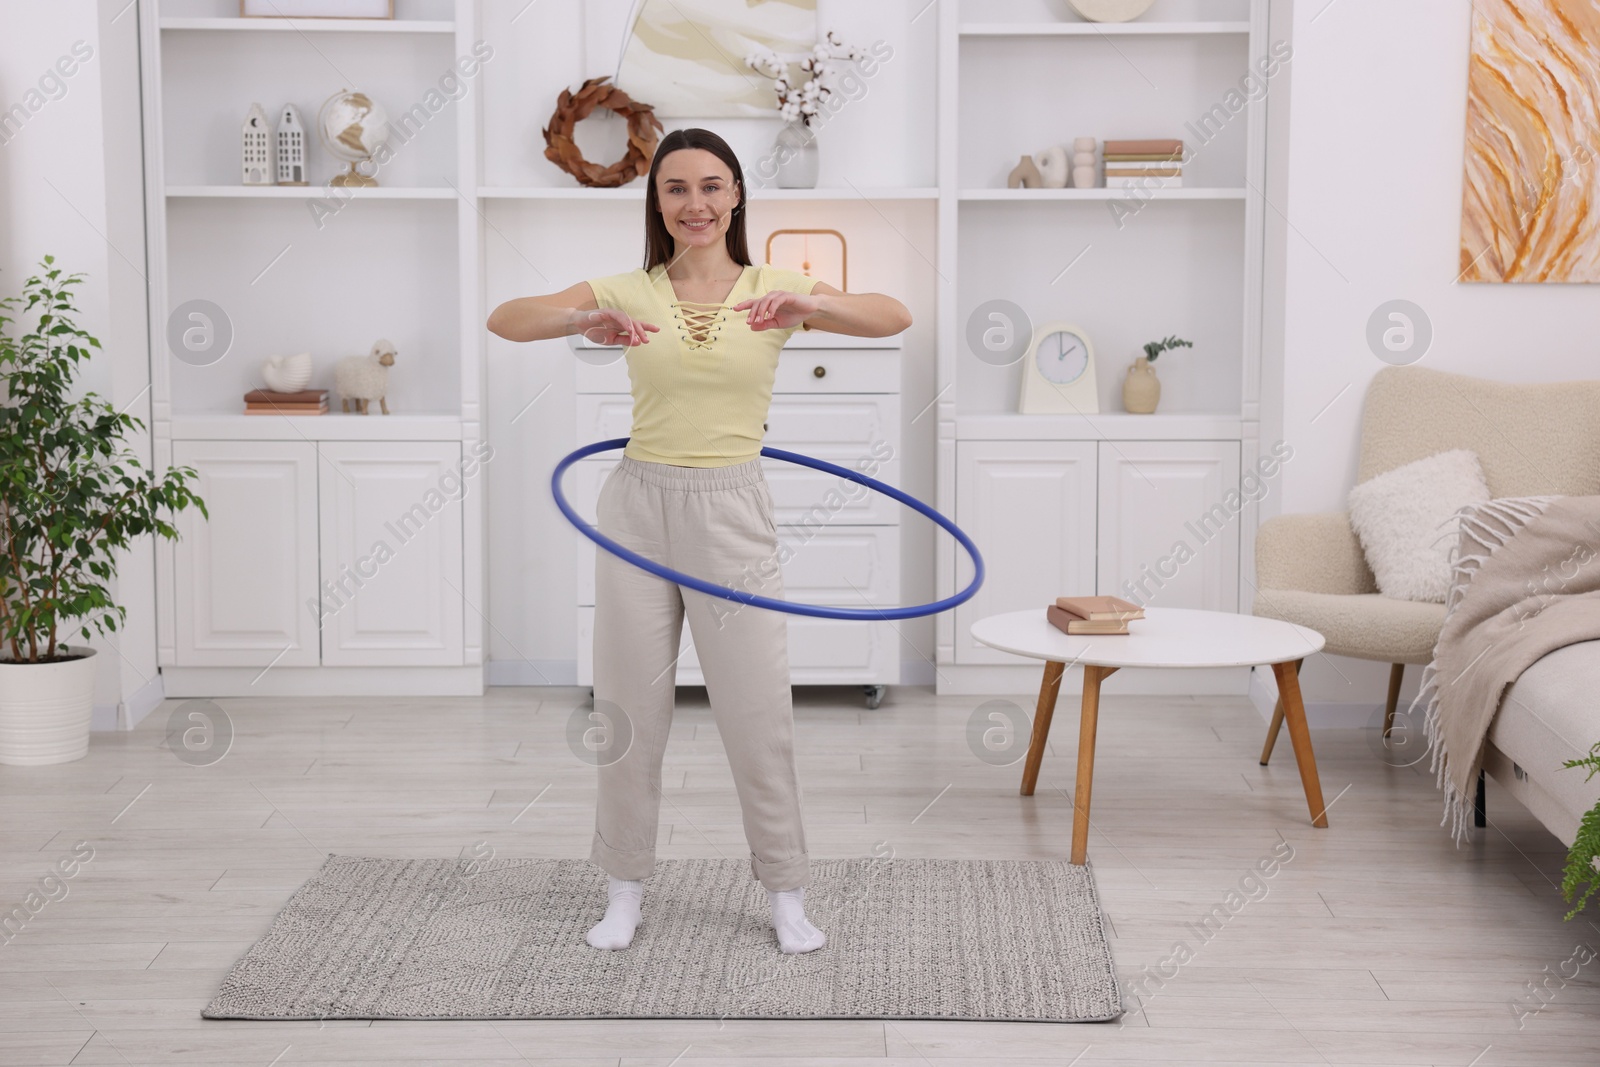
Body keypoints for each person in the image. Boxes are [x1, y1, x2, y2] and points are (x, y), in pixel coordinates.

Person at [487, 127, 912, 954]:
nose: (696, 204)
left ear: (738, 195)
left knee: (757, 711)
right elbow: (507, 318)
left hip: (732, 510)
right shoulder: (630, 290)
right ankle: (622, 888)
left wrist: (813, 306)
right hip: (638, 506)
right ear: (657, 202)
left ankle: (787, 892)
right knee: (628, 709)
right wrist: (584, 317)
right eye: (677, 189)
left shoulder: (776, 287)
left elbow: (895, 313)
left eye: (712, 187)